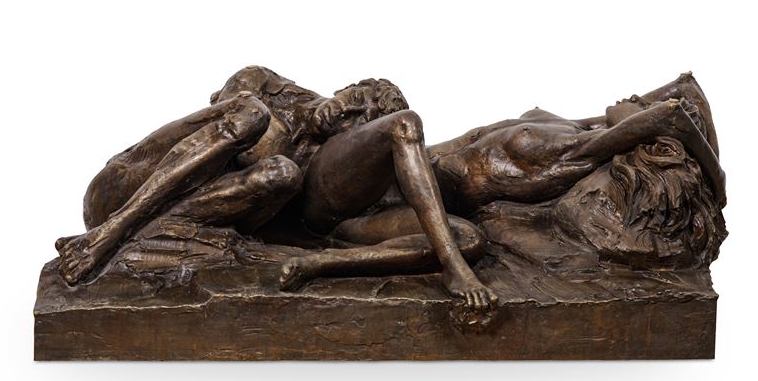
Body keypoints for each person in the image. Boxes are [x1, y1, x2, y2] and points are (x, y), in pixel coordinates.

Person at [57, 66, 496, 310]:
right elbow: (211, 127)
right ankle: (111, 234)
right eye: (355, 98)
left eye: (363, 121)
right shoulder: (264, 86)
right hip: (124, 187)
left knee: (281, 173)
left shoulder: (317, 174)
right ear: (343, 86)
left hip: (195, 213)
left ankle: (450, 263)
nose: (349, 113)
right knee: (251, 115)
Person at [277, 73, 726, 288]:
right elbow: (675, 106)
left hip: (376, 207)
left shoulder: (568, 137)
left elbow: (676, 100)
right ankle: (454, 270)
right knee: (403, 124)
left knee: (469, 239)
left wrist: (713, 181)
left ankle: (319, 264)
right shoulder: (568, 143)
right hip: (346, 195)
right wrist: (718, 184)